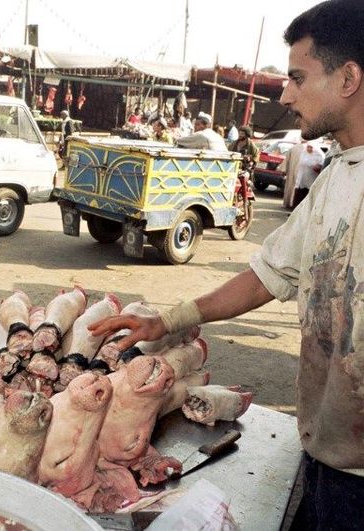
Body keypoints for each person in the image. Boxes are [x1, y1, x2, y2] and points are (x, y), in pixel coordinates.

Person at [90, 1, 364, 527]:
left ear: (348, 78)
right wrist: (165, 322)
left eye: (297, 77)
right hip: (326, 453)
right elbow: (265, 277)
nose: (284, 94)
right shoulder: (334, 179)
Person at [292, 142, 325, 208]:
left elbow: (322, 165)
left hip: (312, 179)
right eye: (308, 147)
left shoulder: (319, 155)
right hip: (302, 178)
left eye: (311, 147)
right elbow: (301, 164)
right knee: (299, 194)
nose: (309, 149)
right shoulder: (304, 154)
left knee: (309, 195)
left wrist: (317, 166)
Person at [282, 140, 306, 208]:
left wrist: (284, 170)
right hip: (302, 173)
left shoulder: (293, 148)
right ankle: (294, 204)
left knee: (290, 186)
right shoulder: (309, 149)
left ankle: (288, 203)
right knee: (297, 187)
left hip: (291, 171)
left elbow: (286, 160)